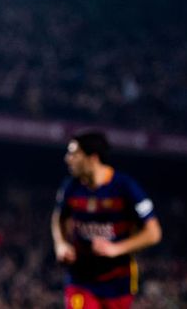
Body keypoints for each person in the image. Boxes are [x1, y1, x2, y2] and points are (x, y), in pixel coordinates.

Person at [51, 130, 162, 309]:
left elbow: (154, 233)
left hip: (117, 281)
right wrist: (61, 244)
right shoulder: (70, 187)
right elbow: (59, 217)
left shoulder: (125, 187)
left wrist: (116, 248)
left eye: (74, 154)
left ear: (93, 158)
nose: (67, 159)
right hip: (80, 278)